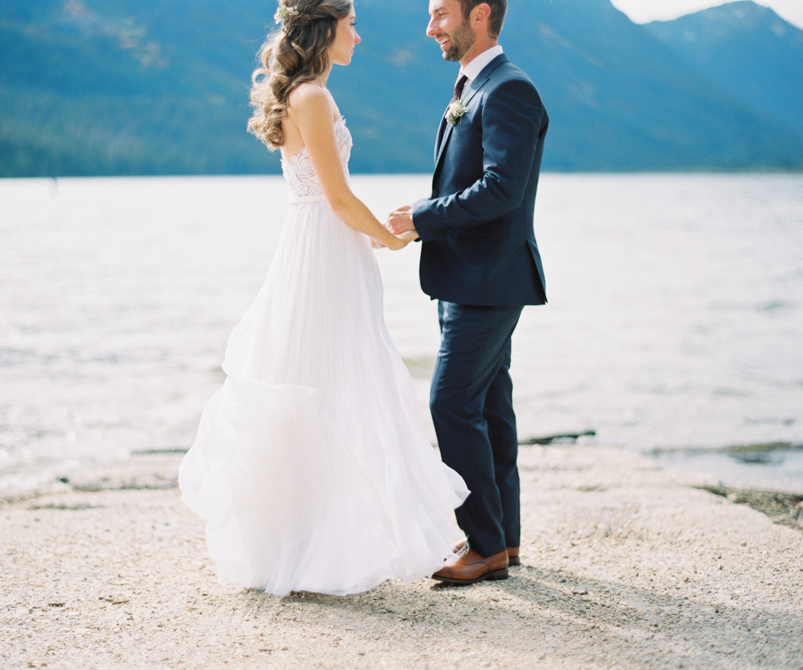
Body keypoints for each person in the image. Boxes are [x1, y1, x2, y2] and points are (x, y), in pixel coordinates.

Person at [178, 0, 469, 598]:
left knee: (326, 376)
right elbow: (337, 196)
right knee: (333, 378)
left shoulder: (307, 94)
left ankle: (321, 535)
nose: (359, 37)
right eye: (352, 24)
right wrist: (389, 236)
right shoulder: (312, 97)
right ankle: (315, 545)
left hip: (318, 246)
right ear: (326, 27)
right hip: (323, 247)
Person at [387, 0, 548, 585]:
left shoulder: (508, 89)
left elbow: (502, 189)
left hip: (489, 279)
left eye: (439, 14)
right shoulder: (475, 87)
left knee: (449, 403)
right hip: (468, 278)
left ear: (479, 14)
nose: (430, 28)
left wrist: (423, 217)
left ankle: (482, 546)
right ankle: (502, 538)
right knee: (486, 406)